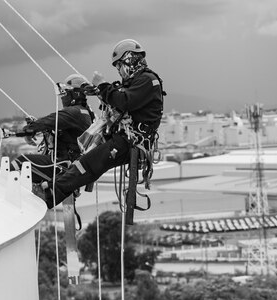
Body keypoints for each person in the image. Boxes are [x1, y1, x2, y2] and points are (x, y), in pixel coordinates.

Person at [36, 38, 165, 209]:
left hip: (131, 141)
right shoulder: (138, 81)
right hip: (126, 139)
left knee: (88, 164)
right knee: (87, 163)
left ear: (129, 58)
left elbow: (124, 101)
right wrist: (100, 90)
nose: (119, 70)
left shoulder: (148, 80)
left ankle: (49, 194)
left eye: (119, 65)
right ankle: (50, 190)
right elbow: (120, 98)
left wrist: (103, 86)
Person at [11, 73, 94, 185]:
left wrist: (29, 130)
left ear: (73, 93)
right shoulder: (85, 112)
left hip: (62, 165)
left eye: (65, 94)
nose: (63, 98)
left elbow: (50, 121)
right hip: (69, 165)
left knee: (22, 162)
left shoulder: (75, 112)